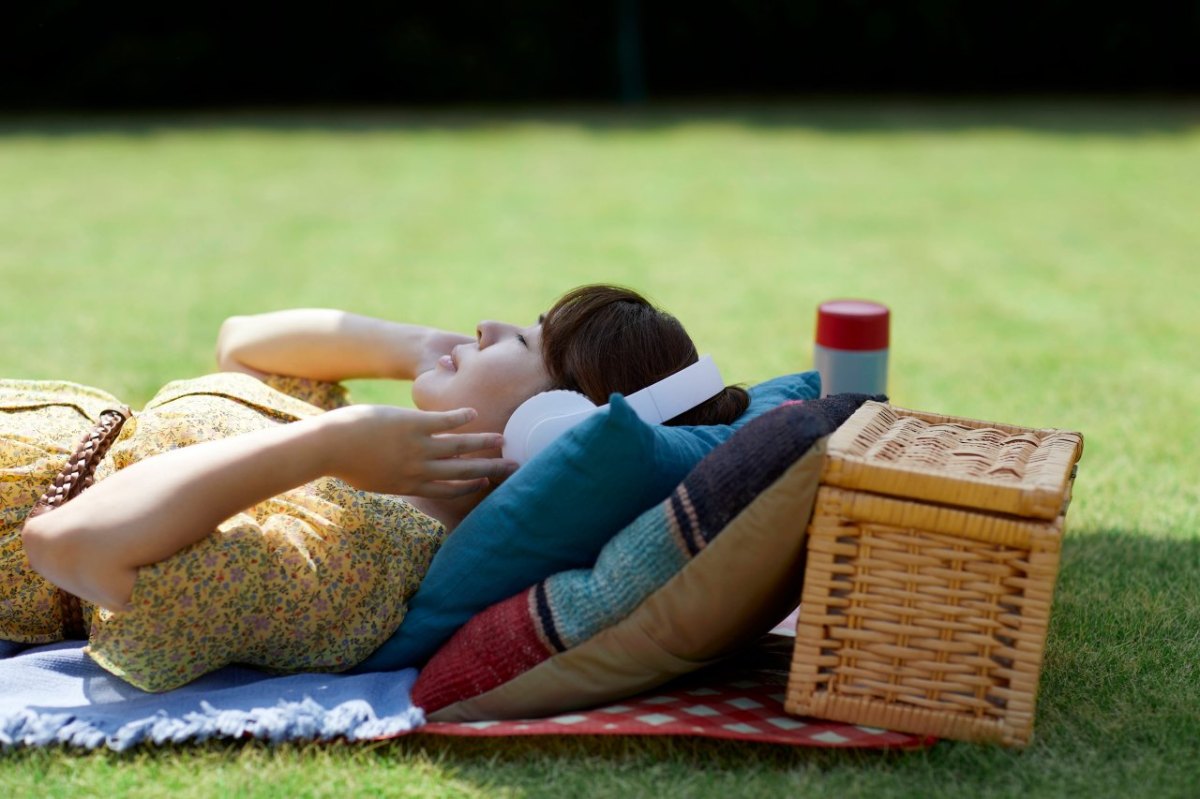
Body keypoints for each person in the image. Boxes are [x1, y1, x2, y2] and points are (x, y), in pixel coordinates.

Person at [1, 284, 748, 691]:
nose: (484, 323)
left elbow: (69, 545)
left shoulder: (356, 568)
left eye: (524, 340)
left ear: (547, 432)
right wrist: (422, 349)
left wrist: (321, 444)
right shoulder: (374, 462)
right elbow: (244, 340)